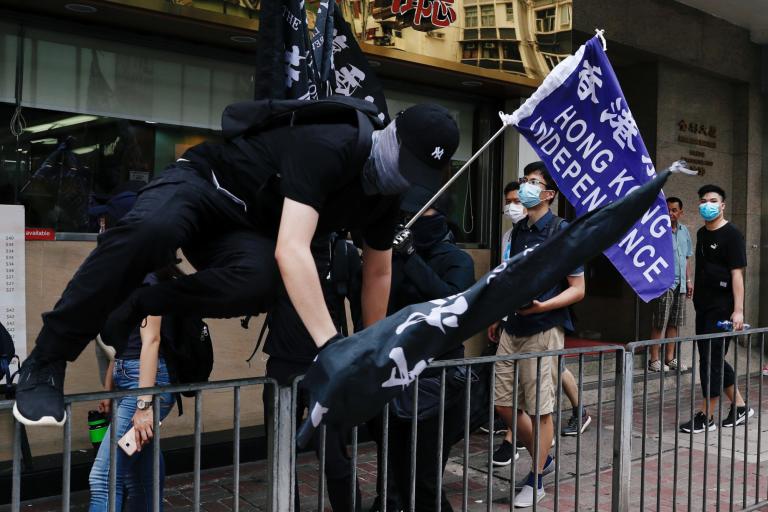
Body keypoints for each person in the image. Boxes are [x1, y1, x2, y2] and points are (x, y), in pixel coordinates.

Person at [13, 99, 460, 426]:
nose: (403, 178)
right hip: (205, 185)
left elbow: (378, 272)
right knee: (154, 230)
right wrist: (333, 347)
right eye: (403, 163)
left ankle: (144, 302)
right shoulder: (333, 143)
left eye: (415, 174)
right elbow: (293, 250)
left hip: (244, 231)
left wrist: (372, 352)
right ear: (392, 135)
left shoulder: (386, 195)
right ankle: (46, 361)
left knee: (260, 283)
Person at [490, 162, 586, 508]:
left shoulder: (563, 231)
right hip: (511, 327)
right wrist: (498, 314)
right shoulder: (517, 231)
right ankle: (544, 457)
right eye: (524, 181)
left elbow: (578, 289)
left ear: (549, 194)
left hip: (544, 330)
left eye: (534, 183)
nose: (526, 188)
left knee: (540, 409)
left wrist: (543, 307)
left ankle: (537, 478)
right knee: (503, 403)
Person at [377, 188, 475, 512]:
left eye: (424, 212)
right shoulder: (396, 256)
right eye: (408, 214)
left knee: (424, 470)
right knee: (391, 462)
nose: (413, 220)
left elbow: (449, 305)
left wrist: (411, 258)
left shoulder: (458, 260)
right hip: (395, 368)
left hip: (437, 376)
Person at [261, 233, 364, 512]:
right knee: (281, 456)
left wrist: (360, 360)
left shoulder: (342, 253)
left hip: (327, 366)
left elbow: (361, 311)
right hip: (282, 366)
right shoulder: (278, 246)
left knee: (334, 457)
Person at [88, 270, 176, 512]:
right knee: (140, 480)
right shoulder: (128, 279)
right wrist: (109, 389)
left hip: (146, 386)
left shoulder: (149, 280)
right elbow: (123, 345)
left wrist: (144, 405)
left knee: (103, 478)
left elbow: (152, 340)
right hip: (131, 383)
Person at [680, 184, 753, 434]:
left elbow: (737, 275)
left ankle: (706, 415)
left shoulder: (732, 235)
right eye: (703, 200)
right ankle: (741, 407)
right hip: (704, 306)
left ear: (722, 206)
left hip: (723, 309)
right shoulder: (701, 233)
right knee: (712, 359)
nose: (707, 205)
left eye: (712, 200)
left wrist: (739, 310)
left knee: (710, 362)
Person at [647, 196, 693, 372]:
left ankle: (670, 358)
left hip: (681, 284)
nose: (670, 213)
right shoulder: (658, 231)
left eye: (674, 210)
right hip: (665, 283)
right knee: (660, 322)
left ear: (680, 212)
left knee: (675, 322)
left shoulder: (684, 232)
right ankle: (654, 359)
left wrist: (688, 281)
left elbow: (686, 259)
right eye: (667, 210)